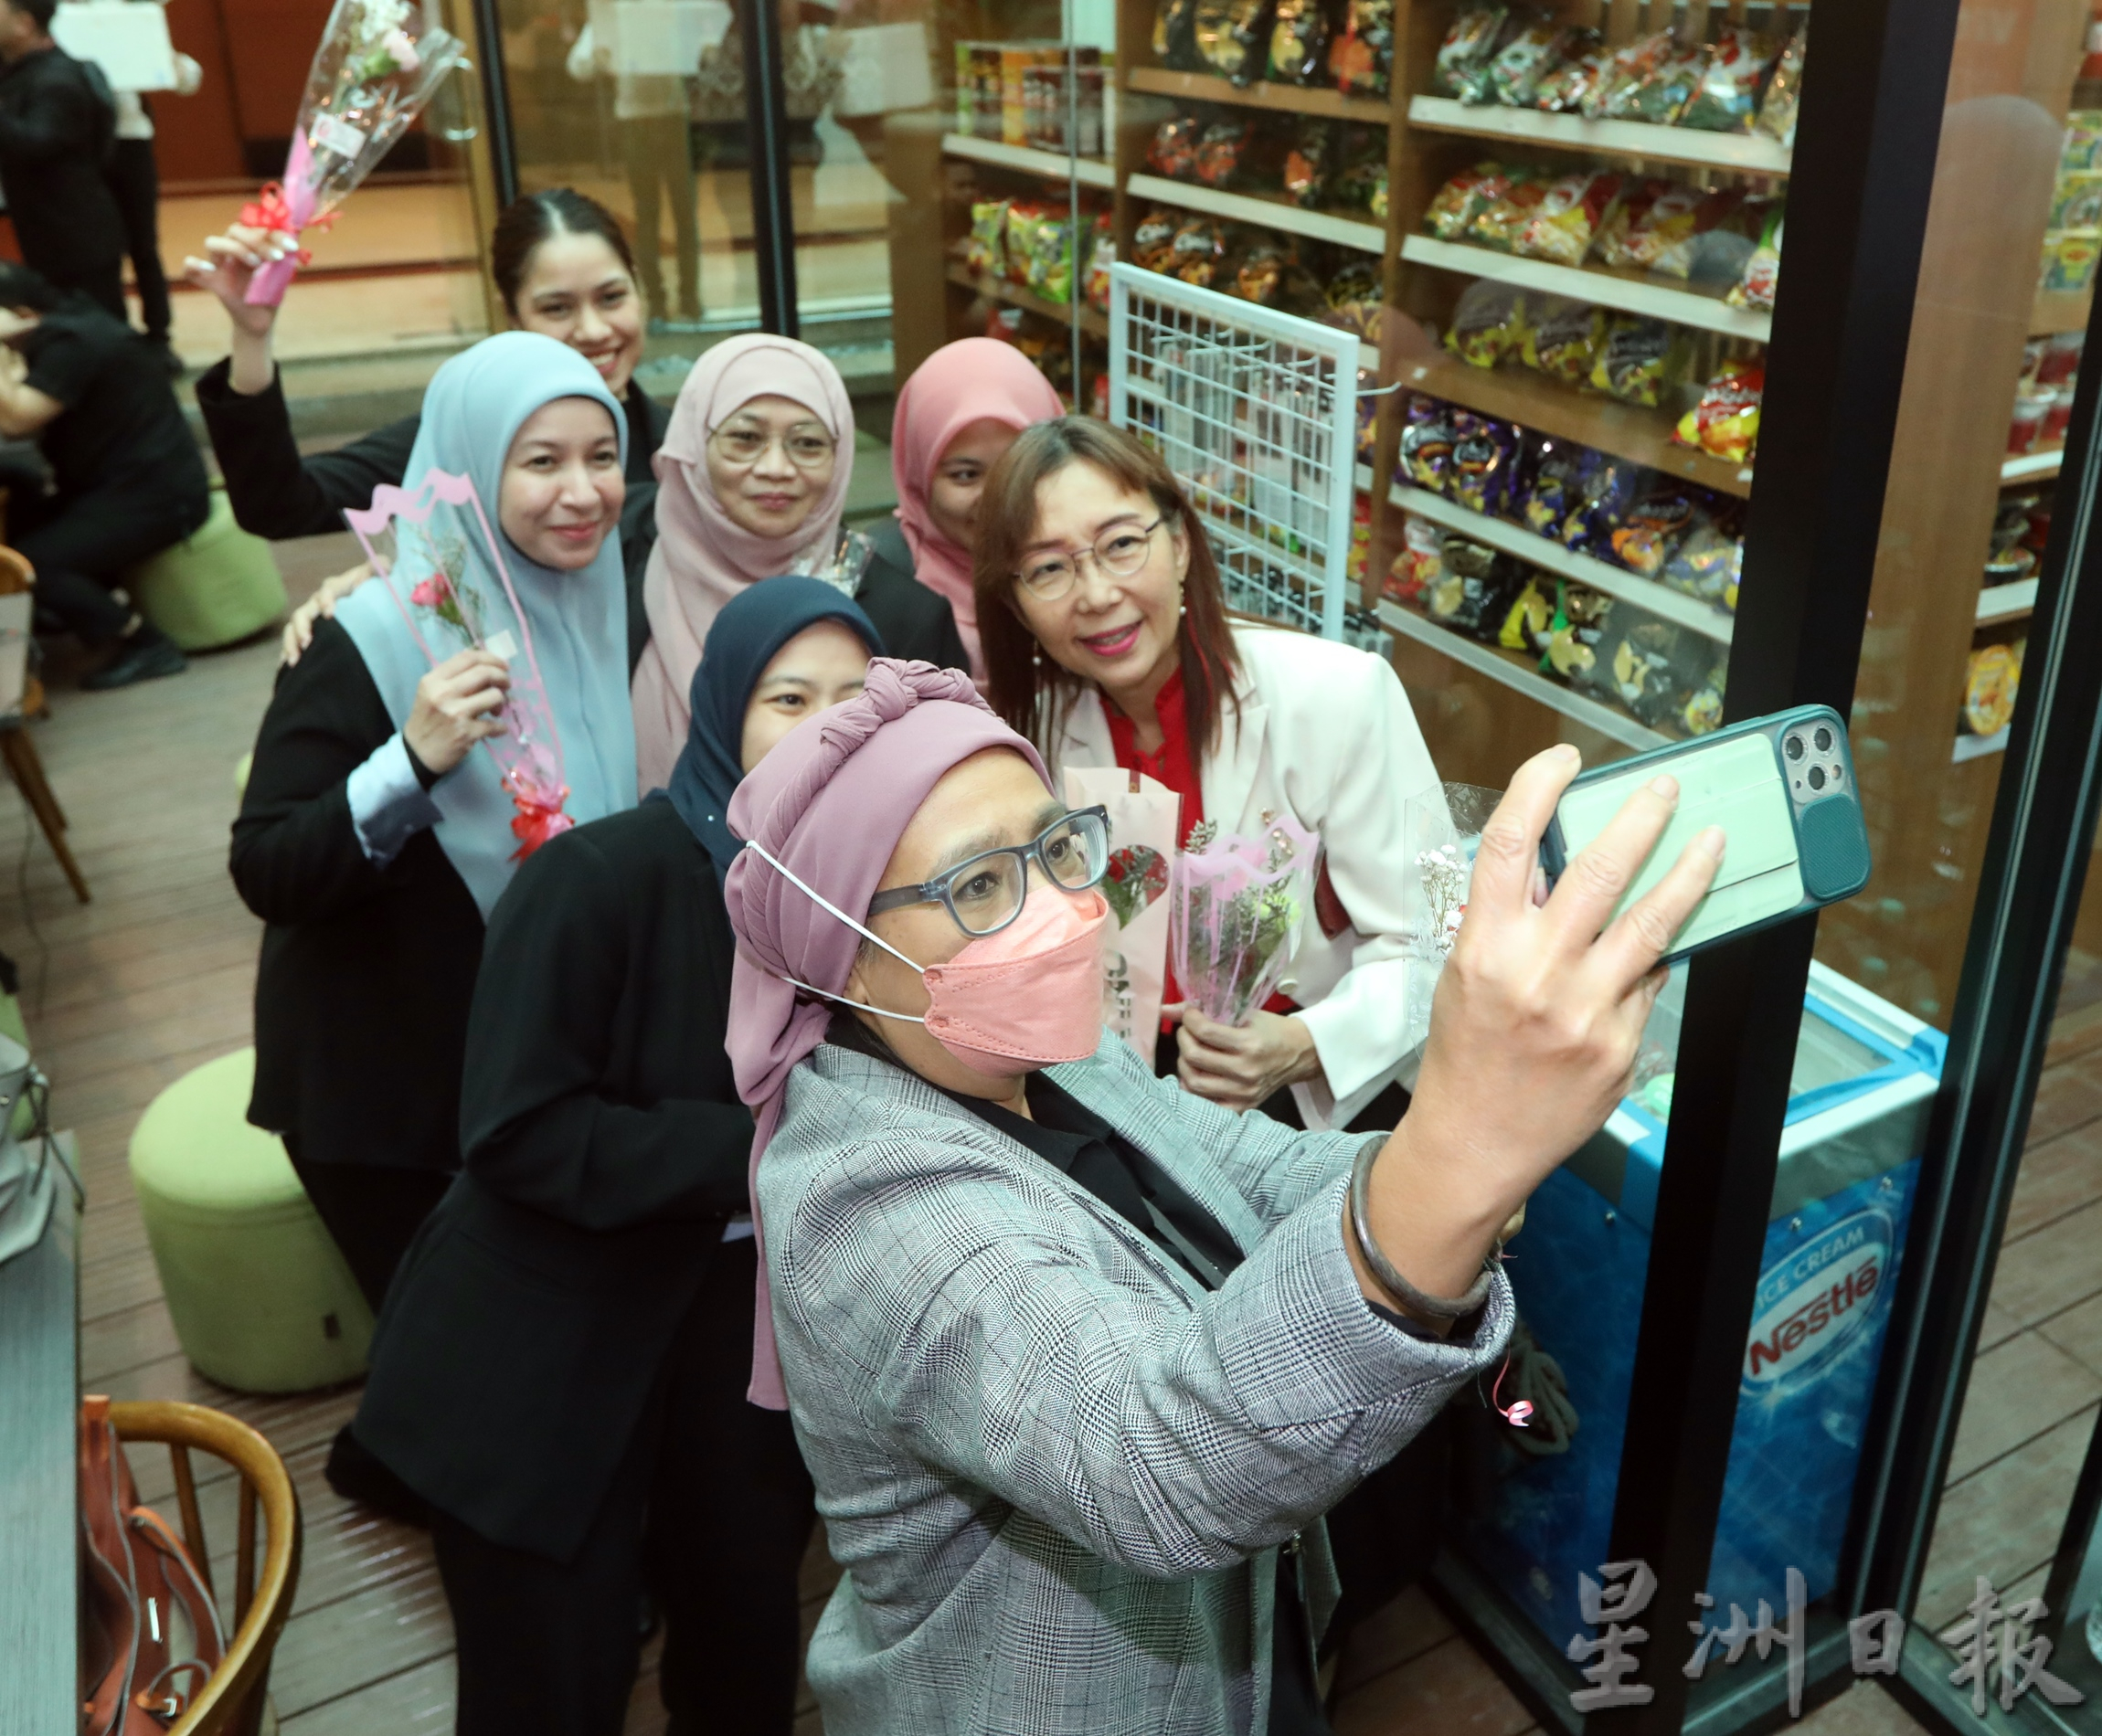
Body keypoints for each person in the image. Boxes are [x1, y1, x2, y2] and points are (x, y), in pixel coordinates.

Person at [721, 657, 1722, 1735]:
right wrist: (1460, 1154)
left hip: (1234, 1649)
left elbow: (1246, 1164)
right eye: (976, 887)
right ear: (845, 959)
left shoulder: (1040, 1052)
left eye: (1059, 849)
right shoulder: (860, 1201)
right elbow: (1153, 1458)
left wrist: (1450, 1164)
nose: (1061, 911)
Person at [354, 579, 876, 1736]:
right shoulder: (600, 877)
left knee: (742, 1645)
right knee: (550, 1685)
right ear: (724, 709)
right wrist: (770, 1147)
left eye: (860, 698)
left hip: (742, 1343)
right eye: (791, 697)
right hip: (546, 1344)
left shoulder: (872, 908)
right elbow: (516, 1130)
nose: (833, 727)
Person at [230, 332, 640, 1321]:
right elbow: (266, 867)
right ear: (464, 469)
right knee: (446, 1362)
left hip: (513, 1068)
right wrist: (408, 763)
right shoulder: (373, 635)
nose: (581, 491)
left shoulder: (595, 597)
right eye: (539, 461)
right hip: (385, 1097)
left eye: (601, 455)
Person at [976, 416, 1435, 1133]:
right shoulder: (1024, 737)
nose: (1095, 593)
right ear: (1016, 604)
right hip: (1120, 1092)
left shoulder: (1341, 696)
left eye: (1122, 545)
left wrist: (1306, 1045)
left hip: (1322, 1088)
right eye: (1049, 568)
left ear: (1182, 543)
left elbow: (1439, 941)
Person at [186, 187, 670, 613]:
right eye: (557, 308)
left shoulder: (687, 445)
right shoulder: (462, 439)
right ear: (512, 316)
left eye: (611, 298)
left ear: (640, 291)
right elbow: (281, 505)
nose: (593, 331)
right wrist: (252, 337)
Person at [632, 331, 963, 788]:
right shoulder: (624, 573)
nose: (775, 468)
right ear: (694, 445)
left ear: (841, 454)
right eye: (745, 438)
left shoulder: (905, 617)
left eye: (807, 444)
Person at [0, 261, 203, 688]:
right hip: (115, 485)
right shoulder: (63, 325)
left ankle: (144, 643)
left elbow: (17, 418)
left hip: (156, 496)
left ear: (20, 314)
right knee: (21, 490)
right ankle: (53, 616)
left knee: (31, 564)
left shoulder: (73, 341)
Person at [868, 335, 1061, 682]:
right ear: (919, 477)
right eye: (965, 475)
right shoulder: (876, 585)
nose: (995, 498)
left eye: (1017, 470)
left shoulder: (1094, 567)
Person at [566, 10, 700, 329]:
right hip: (637, 121)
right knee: (650, 213)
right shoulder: (613, 14)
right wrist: (599, 58)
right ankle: (657, 302)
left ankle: (690, 300)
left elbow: (698, 50)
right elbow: (578, 65)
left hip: (671, 117)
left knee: (682, 213)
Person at [0, 0, 126, 320]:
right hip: (46, 230)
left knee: (99, 333)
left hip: (77, 233)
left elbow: (36, 143)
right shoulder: (20, 70)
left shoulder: (57, 79)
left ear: (24, 23)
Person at [105, 16, 203, 371]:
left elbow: (188, 78)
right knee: (97, 250)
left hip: (130, 141)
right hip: (78, 145)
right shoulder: (55, 17)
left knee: (143, 244)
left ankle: (159, 337)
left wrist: (166, 61)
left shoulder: (127, 16)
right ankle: (111, 338)